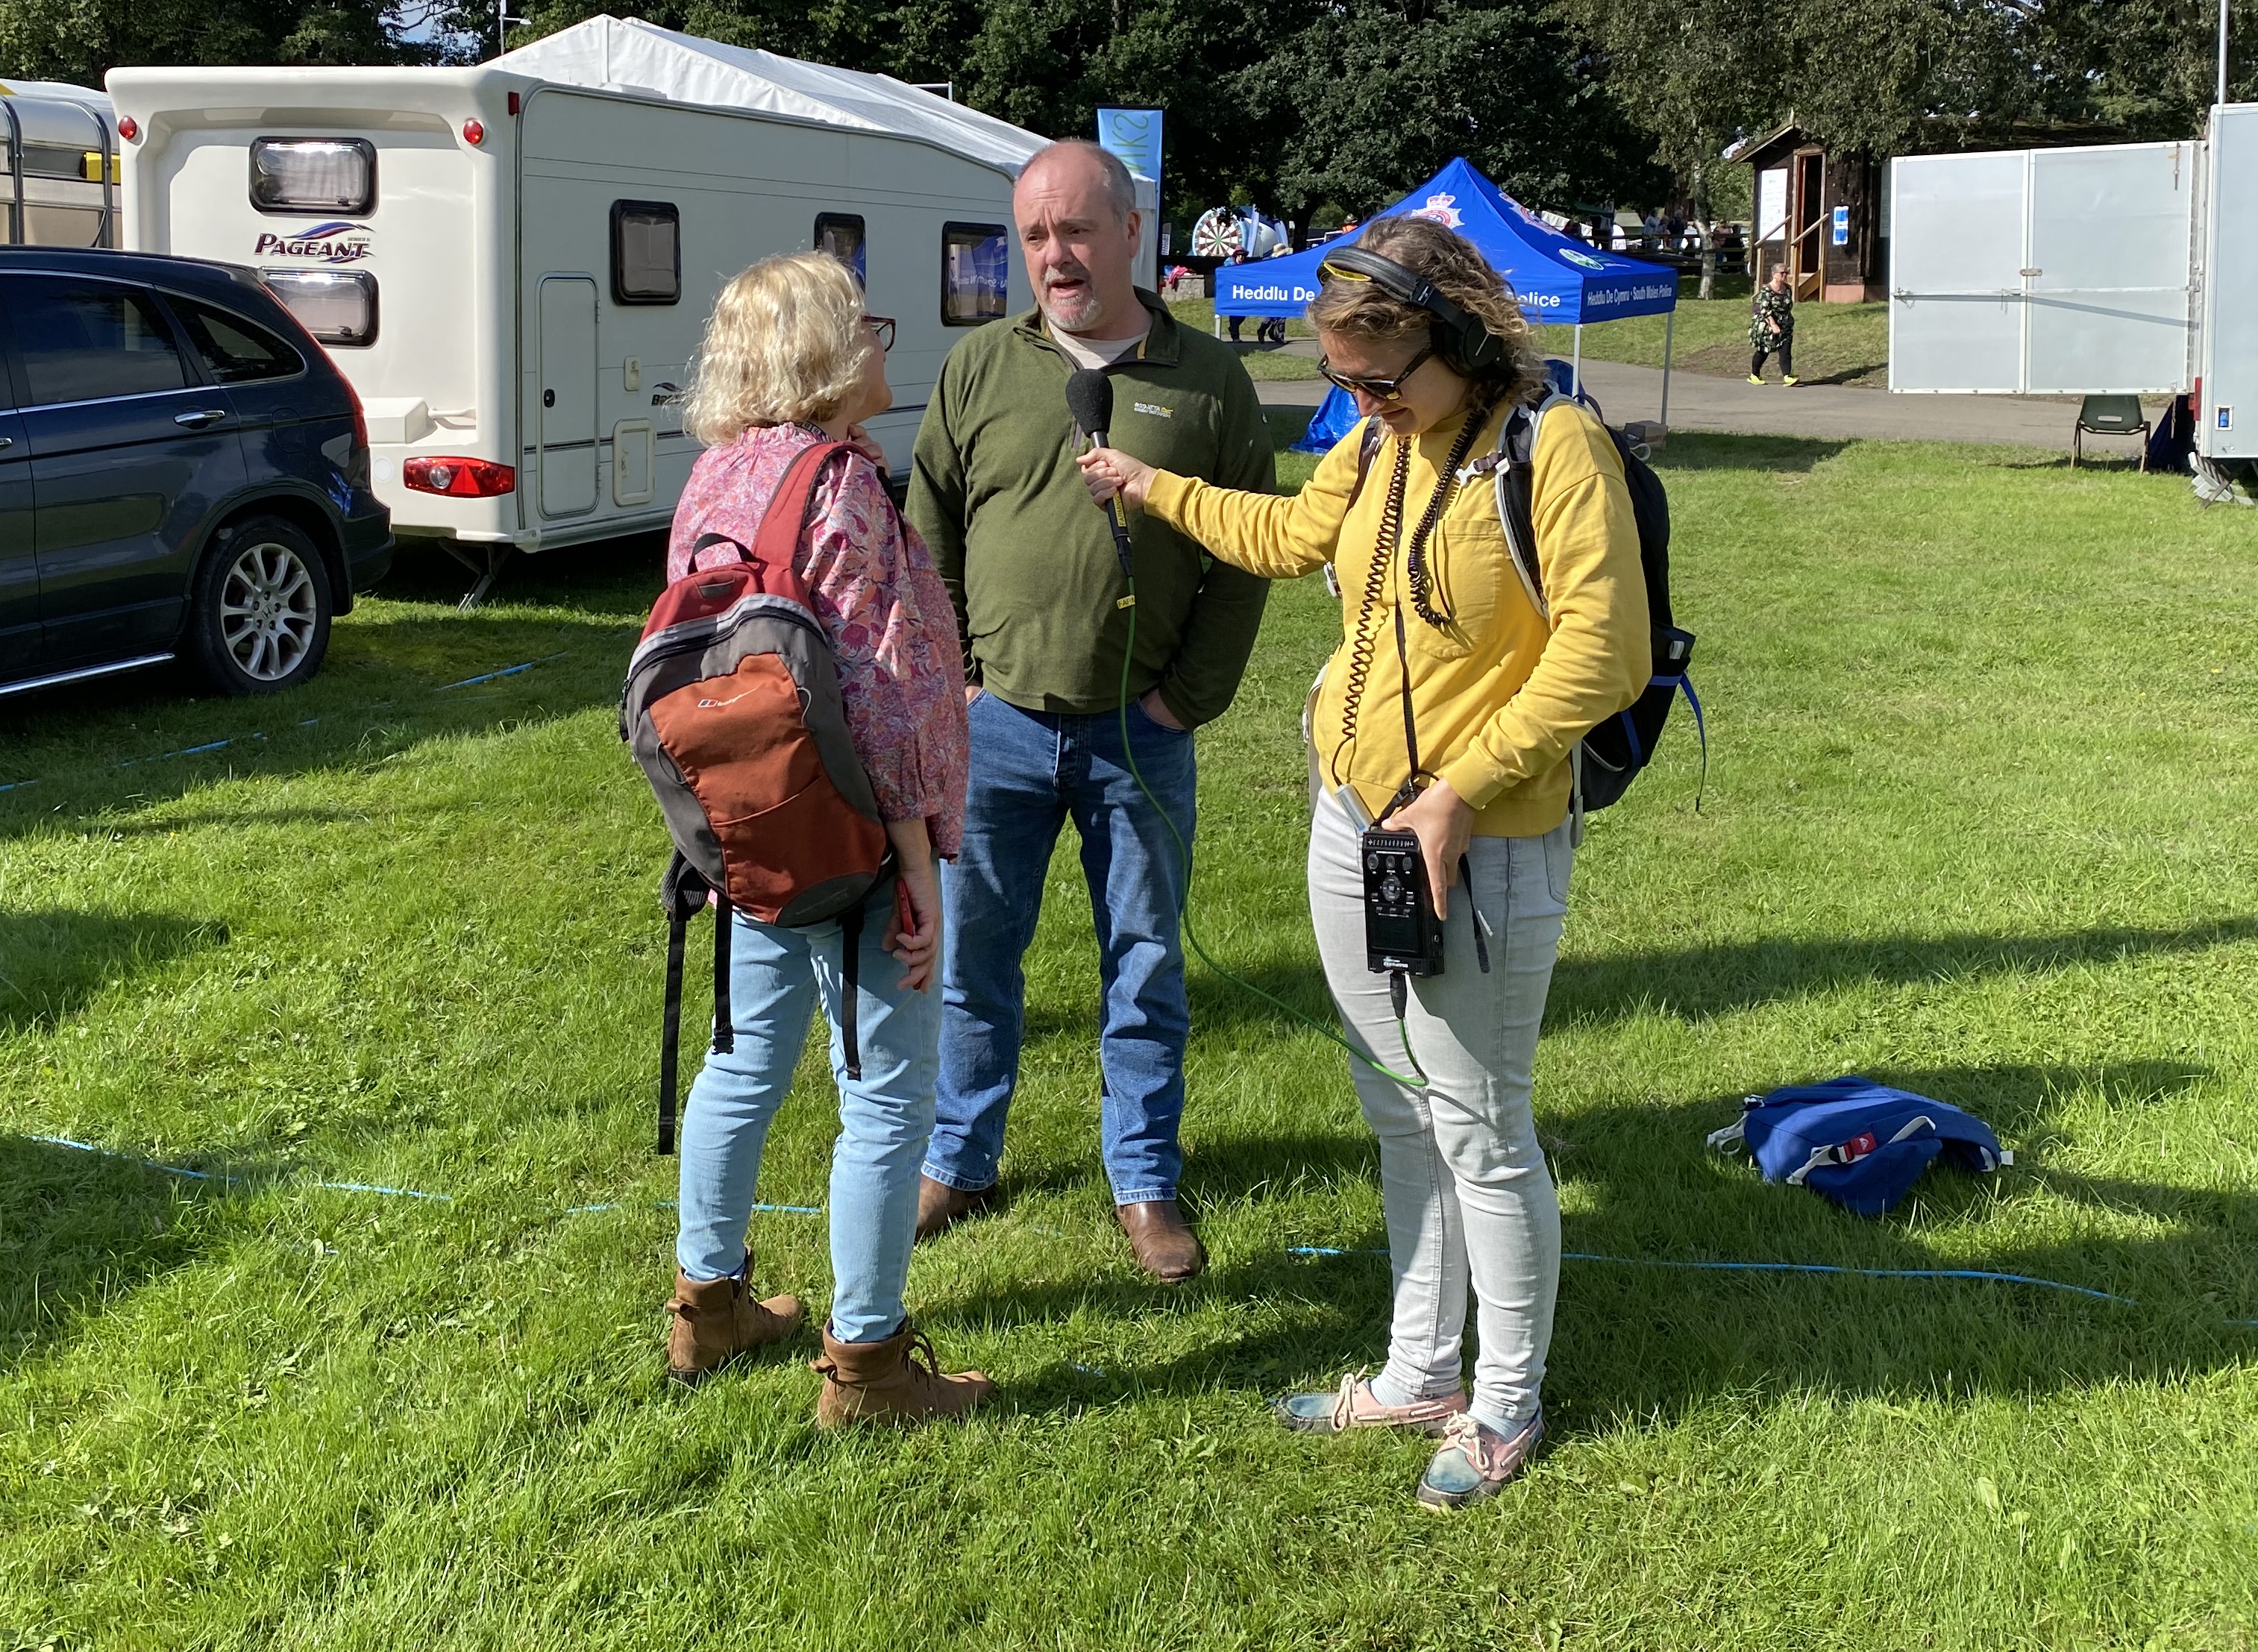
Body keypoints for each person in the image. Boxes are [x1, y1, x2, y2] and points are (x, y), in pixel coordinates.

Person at [1073, 214, 1649, 1509]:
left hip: (1478, 837)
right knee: (1395, 1101)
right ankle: (1416, 1370)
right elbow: (1287, 536)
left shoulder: (1555, 449)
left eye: (1383, 378)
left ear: (1456, 338)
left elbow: (1602, 651)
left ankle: (1506, 1400)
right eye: (1344, 384)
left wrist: (1455, 792)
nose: (1365, 404)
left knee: (1482, 1124)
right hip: (1355, 817)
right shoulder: (1379, 443)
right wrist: (1147, 483)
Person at [906, 139, 1278, 1282]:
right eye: (1033, 236)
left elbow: (1245, 557)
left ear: (1132, 234)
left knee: (1145, 961)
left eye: (1075, 230)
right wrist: (960, 677)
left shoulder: (1209, 379)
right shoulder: (979, 367)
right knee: (974, 958)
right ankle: (960, 1158)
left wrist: (1185, 700)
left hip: (1140, 737)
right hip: (999, 726)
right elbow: (931, 530)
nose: (1055, 257)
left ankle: (1145, 1181)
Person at [660, 253, 990, 1425]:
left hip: (748, 830)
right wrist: (919, 869)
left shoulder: (715, 476)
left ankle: (707, 1307)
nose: (887, 349)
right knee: (887, 1100)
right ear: (827, 354)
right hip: (849, 836)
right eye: (871, 327)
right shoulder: (841, 482)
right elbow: (889, 693)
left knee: (742, 1066)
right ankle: (870, 1369)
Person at [1749, 263, 1797, 385]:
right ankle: (1755, 374)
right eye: (1782, 273)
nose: (1785, 275)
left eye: (1786, 273)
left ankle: (1787, 376)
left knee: (1785, 350)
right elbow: (1763, 310)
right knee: (1764, 350)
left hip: (1785, 324)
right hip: (1767, 325)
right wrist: (1773, 325)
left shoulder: (1787, 288)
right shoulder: (1766, 291)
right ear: (1774, 275)